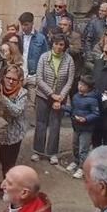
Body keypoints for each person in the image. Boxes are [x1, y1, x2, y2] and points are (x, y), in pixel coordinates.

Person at [31, 35, 74, 165]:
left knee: (55, 125)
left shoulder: (69, 60)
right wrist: (51, 94)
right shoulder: (44, 57)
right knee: (41, 124)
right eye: (56, 44)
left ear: (64, 46)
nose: (58, 47)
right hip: (43, 96)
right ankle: (37, 151)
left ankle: (52, 153)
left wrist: (60, 97)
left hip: (60, 97)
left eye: (61, 44)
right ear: (52, 44)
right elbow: (39, 78)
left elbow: (70, 80)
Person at [0, 66, 28, 175]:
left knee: (8, 165)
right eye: (8, 78)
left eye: (14, 79)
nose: (11, 81)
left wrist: (2, 98)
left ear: (19, 81)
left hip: (14, 136)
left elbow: (16, 111)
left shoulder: (23, 93)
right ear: (3, 77)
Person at [68, 76, 100, 179]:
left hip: (87, 129)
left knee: (83, 149)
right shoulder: (76, 96)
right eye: (79, 84)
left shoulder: (93, 100)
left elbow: (96, 114)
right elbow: (72, 109)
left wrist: (85, 119)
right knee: (75, 146)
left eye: (83, 85)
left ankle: (82, 167)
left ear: (89, 87)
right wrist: (63, 108)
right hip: (76, 127)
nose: (80, 87)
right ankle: (75, 162)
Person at [18, 12, 49, 78]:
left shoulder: (41, 38)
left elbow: (45, 57)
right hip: (19, 73)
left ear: (32, 23)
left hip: (34, 75)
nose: (24, 27)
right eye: (22, 25)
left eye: (26, 25)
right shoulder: (18, 37)